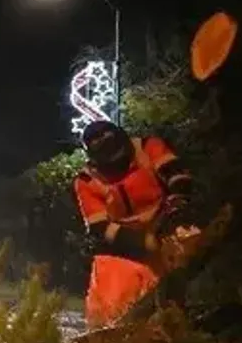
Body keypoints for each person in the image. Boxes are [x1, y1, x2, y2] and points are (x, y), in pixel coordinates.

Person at [73, 120, 198, 328]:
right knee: (113, 291)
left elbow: (178, 177)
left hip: (167, 221)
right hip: (124, 246)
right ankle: (108, 332)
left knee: (187, 257)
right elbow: (100, 228)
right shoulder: (86, 181)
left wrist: (175, 212)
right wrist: (146, 242)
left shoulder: (149, 147)